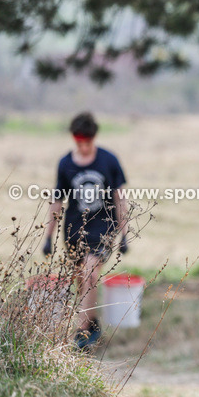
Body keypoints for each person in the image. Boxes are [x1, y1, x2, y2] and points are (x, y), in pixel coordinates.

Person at [42, 112, 129, 349]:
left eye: (87, 142)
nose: (83, 147)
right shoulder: (65, 164)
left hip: (103, 226)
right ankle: (92, 324)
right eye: (79, 142)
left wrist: (124, 233)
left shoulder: (108, 160)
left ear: (94, 138)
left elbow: (120, 198)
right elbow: (57, 201)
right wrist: (48, 236)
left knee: (91, 272)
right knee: (82, 278)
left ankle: (81, 333)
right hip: (74, 229)